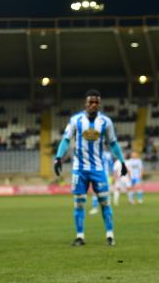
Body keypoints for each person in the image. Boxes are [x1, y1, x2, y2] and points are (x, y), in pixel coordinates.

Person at [53, 89, 128, 246]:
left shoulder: (106, 122)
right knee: (79, 203)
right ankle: (80, 236)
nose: (93, 105)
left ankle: (110, 235)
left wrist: (122, 161)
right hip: (79, 169)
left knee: (105, 203)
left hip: (98, 169)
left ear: (99, 104)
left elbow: (113, 143)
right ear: (85, 104)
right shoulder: (76, 120)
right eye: (90, 102)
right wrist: (58, 157)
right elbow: (66, 139)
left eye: (96, 102)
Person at [90, 149, 115, 215]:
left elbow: (111, 164)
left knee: (104, 191)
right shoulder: (94, 152)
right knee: (95, 191)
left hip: (104, 174)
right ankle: (95, 208)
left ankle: (106, 207)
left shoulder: (107, 154)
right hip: (95, 173)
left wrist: (113, 174)